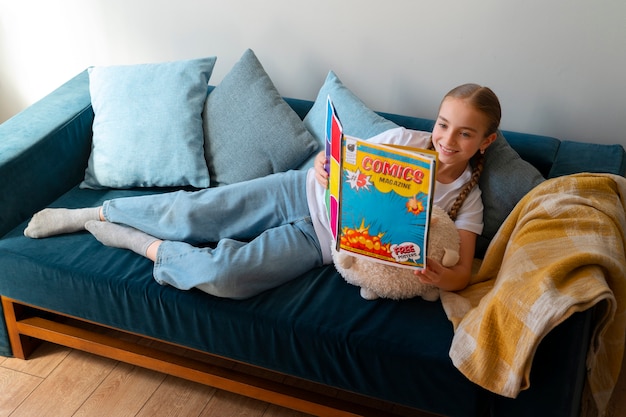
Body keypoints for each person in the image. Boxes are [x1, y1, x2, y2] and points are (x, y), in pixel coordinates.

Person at [24, 83, 500, 299]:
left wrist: (440, 276)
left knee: (227, 279)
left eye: (465, 133)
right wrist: (322, 165)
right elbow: (341, 160)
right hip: (296, 193)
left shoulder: (468, 199)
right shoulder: (400, 142)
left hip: (320, 244)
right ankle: (99, 213)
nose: (447, 139)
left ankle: (145, 245)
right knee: (195, 214)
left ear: (486, 142)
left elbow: (462, 270)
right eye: (443, 124)